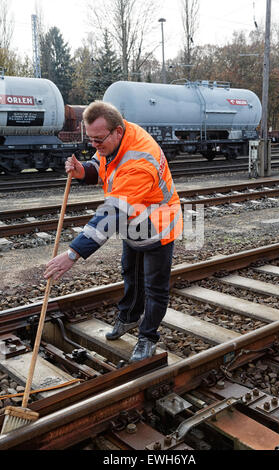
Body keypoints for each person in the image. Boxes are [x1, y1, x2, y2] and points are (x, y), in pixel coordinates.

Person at [44, 100, 183, 362]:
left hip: (157, 227)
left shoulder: (139, 161)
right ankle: (129, 318)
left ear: (117, 132)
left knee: (155, 287)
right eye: (91, 140)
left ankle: (148, 336)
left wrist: (72, 254)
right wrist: (82, 170)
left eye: (98, 140)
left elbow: (111, 215)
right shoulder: (116, 140)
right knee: (130, 273)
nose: (94, 146)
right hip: (132, 225)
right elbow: (101, 166)